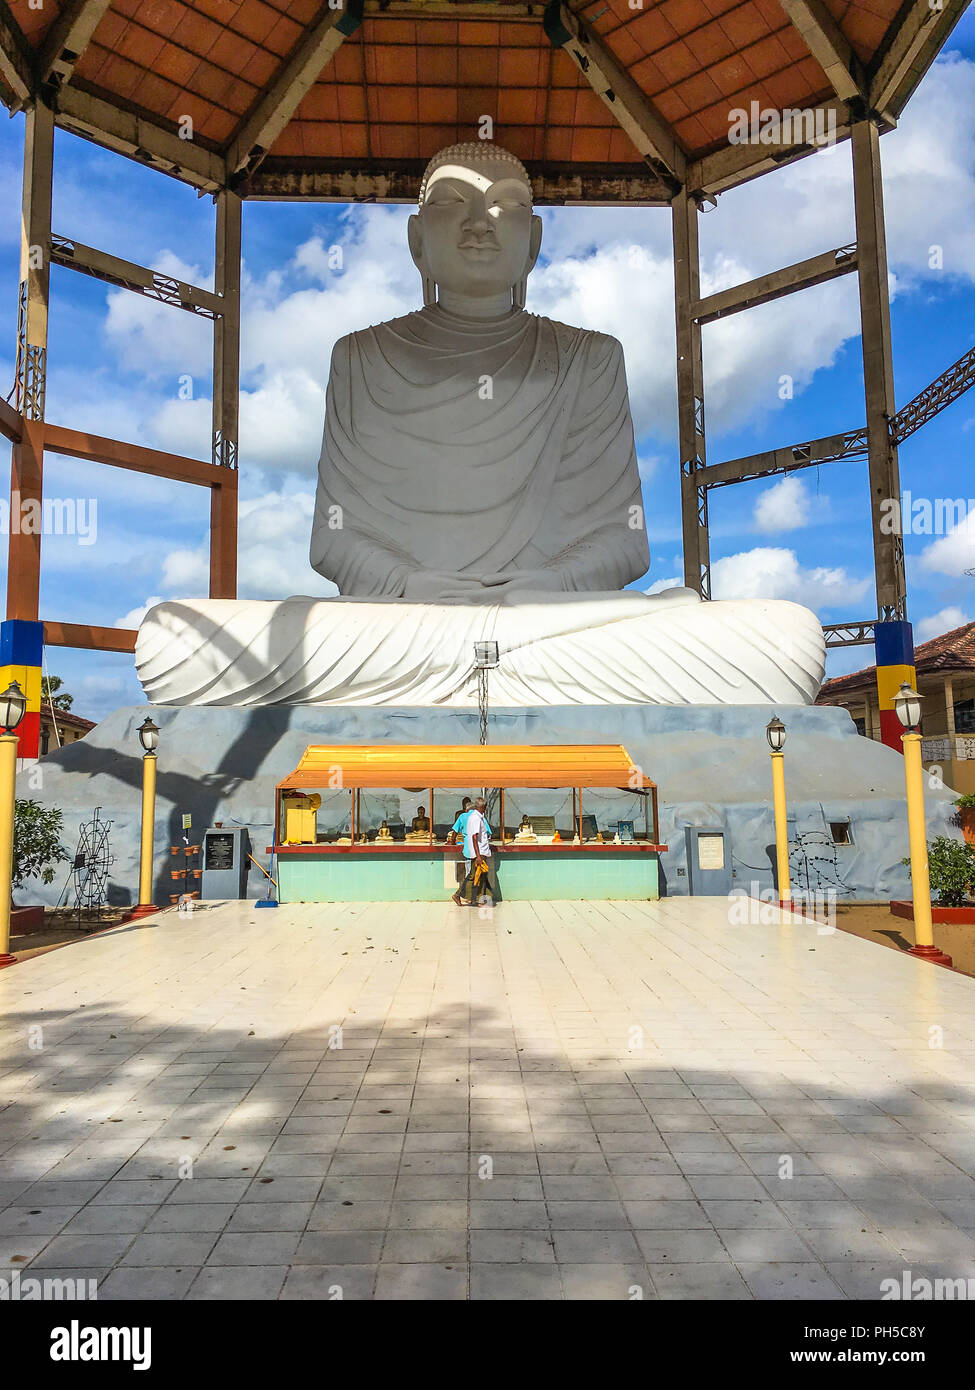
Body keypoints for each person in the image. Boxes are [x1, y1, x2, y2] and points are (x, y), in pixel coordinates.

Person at [453, 796, 496, 906]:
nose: (485, 809)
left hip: (480, 851)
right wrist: (478, 856)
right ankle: (458, 894)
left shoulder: (477, 817)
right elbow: (474, 837)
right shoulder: (476, 818)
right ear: (480, 807)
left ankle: (480, 898)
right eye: (484, 807)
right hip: (479, 852)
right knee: (472, 876)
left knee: (480, 875)